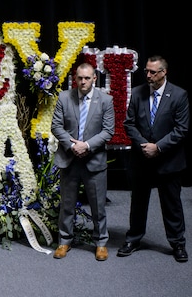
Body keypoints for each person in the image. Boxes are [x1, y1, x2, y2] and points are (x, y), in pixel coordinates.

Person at [119, 55, 189, 262]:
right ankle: (133, 239)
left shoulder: (179, 95)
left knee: (172, 205)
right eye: (146, 71)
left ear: (164, 72)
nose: (148, 75)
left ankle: (177, 243)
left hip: (168, 161)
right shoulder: (138, 93)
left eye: (153, 72)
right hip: (142, 159)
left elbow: (181, 129)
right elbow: (129, 123)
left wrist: (158, 147)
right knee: (138, 203)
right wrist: (145, 146)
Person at [51, 62, 115, 261]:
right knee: (67, 204)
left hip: (93, 160)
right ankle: (64, 241)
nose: (83, 81)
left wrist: (85, 145)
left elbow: (108, 131)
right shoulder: (64, 97)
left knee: (98, 206)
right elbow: (56, 126)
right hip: (69, 160)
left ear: (94, 78)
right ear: (74, 78)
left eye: (87, 78)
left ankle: (101, 243)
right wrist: (72, 146)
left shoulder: (105, 100)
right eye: (79, 78)